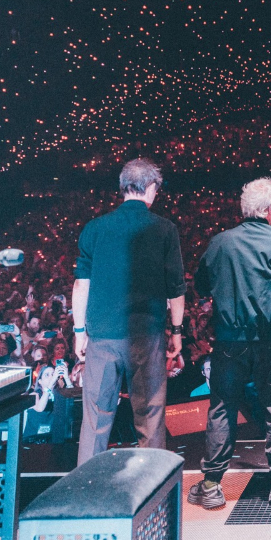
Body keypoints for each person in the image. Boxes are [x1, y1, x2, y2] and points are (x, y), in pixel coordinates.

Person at [189, 177, 271, 509]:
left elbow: (200, 284)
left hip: (229, 342)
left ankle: (212, 485)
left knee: (222, 408)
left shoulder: (219, 243)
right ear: (270, 210)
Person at [72, 159, 186, 466]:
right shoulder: (165, 229)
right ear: (150, 188)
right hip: (146, 337)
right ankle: (151, 493)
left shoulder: (94, 228)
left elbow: (81, 285)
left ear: (124, 188)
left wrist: (79, 332)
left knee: (95, 420)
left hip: (103, 337)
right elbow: (176, 288)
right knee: (150, 417)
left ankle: (84, 495)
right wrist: (176, 332)